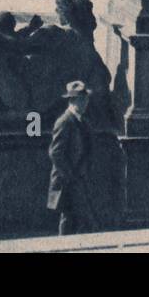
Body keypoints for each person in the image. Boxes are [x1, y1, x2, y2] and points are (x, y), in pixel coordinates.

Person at [48, 80, 98, 236]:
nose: (86, 103)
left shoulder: (83, 121)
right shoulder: (64, 121)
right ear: (73, 100)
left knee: (70, 218)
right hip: (68, 180)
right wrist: (70, 175)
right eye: (83, 99)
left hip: (79, 178)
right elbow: (55, 152)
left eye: (86, 99)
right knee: (85, 221)